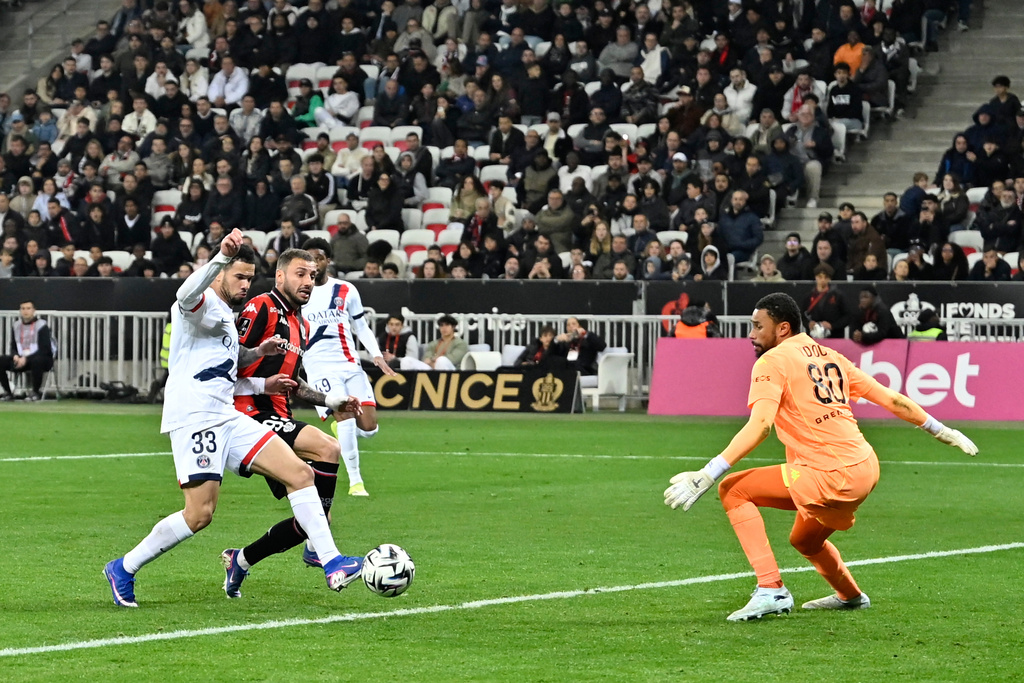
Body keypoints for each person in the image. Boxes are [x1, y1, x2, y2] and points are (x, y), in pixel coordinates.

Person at [663, 292, 978, 622]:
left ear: (782, 328)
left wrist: (707, 473)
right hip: (865, 468)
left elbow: (760, 427)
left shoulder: (771, 362)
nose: (751, 335)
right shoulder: (830, 356)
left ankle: (771, 589)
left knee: (733, 489)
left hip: (829, 472)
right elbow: (890, 398)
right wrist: (942, 431)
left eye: (758, 327)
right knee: (804, 539)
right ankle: (851, 596)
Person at [102, 231, 365, 608]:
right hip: (195, 418)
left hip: (226, 414)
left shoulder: (228, 316)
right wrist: (217, 260)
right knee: (200, 514)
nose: (245, 285)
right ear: (223, 274)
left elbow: (230, 364)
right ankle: (123, 567)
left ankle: (332, 562)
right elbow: (184, 296)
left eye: (248, 278)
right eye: (238, 277)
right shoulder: (201, 302)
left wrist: (263, 371)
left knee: (301, 473)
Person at [223, 248, 362, 596]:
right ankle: (320, 548)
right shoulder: (260, 307)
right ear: (280, 276)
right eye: (300, 273)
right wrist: (258, 367)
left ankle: (240, 560)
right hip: (248, 416)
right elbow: (227, 362)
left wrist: (333, 401)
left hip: (278, 416)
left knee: (308, 520)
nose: (308, 282)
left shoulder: (302, 323)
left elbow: (293, 382)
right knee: (328, 447)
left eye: (313, 276)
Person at [300, 238, 395, 502]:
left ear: (327, 260)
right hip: (319, 367)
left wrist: (376, 356)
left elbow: (360, 326)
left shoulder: (346, 290)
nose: (313, 264)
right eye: (308, 259)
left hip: (350, 364)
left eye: (317, 258)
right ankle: (356, 482)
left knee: (369, 426)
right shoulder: (298, 292)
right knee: (345, 417)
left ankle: (342, 430)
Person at [0, 301, 54, 401]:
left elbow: (45, 349)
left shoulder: (42, 326)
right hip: (21, 359)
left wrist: (26, 358)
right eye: (23, 308)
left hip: (40, 359)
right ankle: (8, 392)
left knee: (37, 361)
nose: (25, 311)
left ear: (34, 310)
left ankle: (36, 392)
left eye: (28, 308)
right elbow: (13, 346)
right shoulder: (16, 326)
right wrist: (15, 356)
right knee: (1, 360)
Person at [401, 314, 468, 370]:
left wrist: (434, 360)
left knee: (442, 360)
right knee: (406, 360)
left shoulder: (461, 343)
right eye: (441, 325)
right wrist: (432, 361)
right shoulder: (434, 343)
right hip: (431, 367)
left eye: (447, 325)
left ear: (453, 327)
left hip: (452, 371)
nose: (444, 328)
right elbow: (426, 358)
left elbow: (453, 359)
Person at [803, 263, 848, 339]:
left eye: (826, 277)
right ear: (815, 277)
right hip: (814, 338)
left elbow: (847, 316)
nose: (823, 280)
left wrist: (832, 326)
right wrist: (808, 324)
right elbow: (803, 315)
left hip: (834, 337)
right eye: (820, 277)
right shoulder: (808, 296)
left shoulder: (838, 296)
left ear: (829, 279)